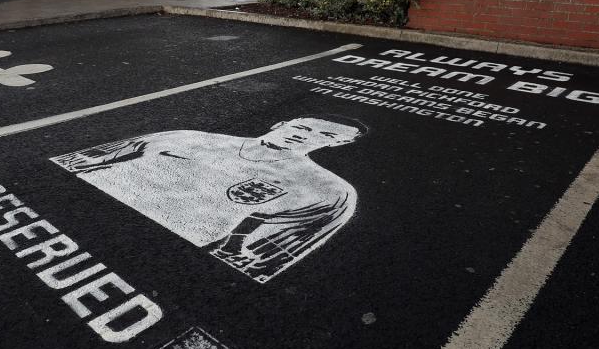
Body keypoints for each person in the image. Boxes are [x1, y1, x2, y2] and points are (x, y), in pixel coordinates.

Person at [51, 117, 367, 283]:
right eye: (302, 126)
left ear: (339, 144)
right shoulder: (186, 138)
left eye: (324, 136)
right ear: (281, 124)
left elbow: (264, 259)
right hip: (67, 216)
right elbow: (83, 162)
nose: (304, 136)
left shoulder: (329, 191)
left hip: (153, 264)